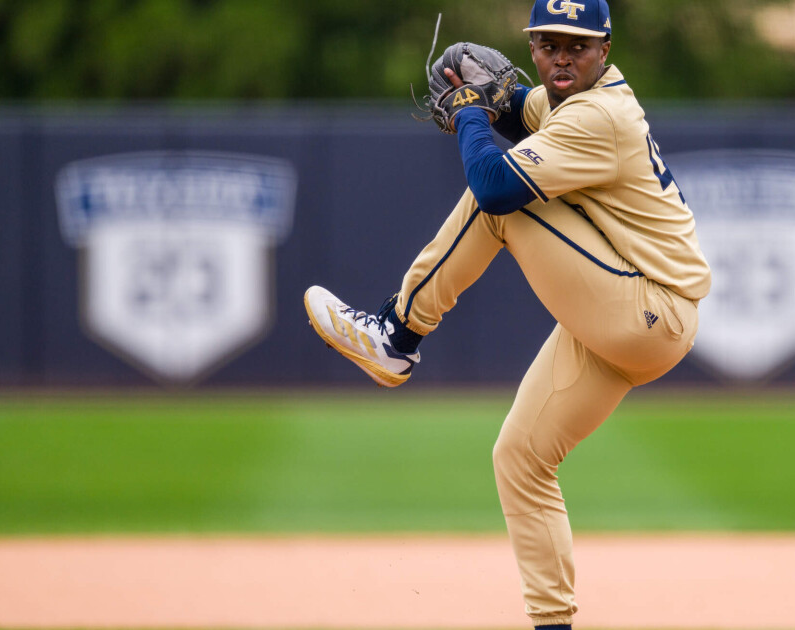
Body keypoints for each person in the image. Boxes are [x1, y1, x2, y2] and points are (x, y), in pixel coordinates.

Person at [304, 0, 710, 626]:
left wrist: (470, 110)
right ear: (532, 47)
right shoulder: (569, 101)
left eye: (577, 44)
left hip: (648, 307)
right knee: (520, 459)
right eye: (548, 44)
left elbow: (495, 183)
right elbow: (524, 110)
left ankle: (398, 332)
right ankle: (554, 624)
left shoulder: (599, 115)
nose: (562, 56)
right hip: (628, 319)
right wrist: (484, 83)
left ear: (606, 48)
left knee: (498, 201)